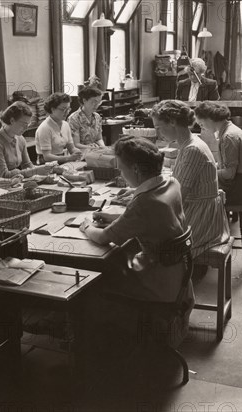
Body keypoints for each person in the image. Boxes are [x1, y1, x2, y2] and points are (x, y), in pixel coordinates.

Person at [78, 137, 194, 350]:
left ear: (137, 170)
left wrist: (86, 226)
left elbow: (104, 238)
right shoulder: (171, 183)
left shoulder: (143, 203)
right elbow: (152, 218)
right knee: (117, 258)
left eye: (122, 170)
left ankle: (96, 341)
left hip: (157, 281)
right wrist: (113, 218)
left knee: (92, 279)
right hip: (178, 275)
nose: (121, 174)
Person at [149, 100, 229, 258]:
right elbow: (176, 187)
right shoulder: (189, 143)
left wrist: (144, 200)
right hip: (201, 213)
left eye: (159, 127)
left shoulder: (192, 149)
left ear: (172, 122)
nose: (158, 132)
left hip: (200, 222)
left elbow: (176, 199)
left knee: (144, 234)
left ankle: (170, 278)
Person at [194, 102, 242, 205]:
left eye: (201, 124)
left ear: (210, 119)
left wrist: (206, 172)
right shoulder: (230, 128)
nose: (202, 128)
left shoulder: (228, 137)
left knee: (197, 189)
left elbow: (229, 174)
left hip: (239, 190)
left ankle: (209, 220)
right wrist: (211, 166)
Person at [0, 102, 55, 178]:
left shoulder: (20, 138)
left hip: (15, 183)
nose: (26, 128)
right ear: (12, 120)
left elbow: (27, 165)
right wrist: (36, 171)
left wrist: (48, 168)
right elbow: (4, 175)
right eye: (24, 124)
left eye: (28, 124)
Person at [35, 92, 82, 164]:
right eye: (63, 109)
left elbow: (71, 148)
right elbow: (47, 156)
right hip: (46, 165)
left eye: (68, 109)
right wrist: (68, 158)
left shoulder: (66, 125)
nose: (67, 112)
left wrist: (77, 152)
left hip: (61, 161)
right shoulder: (45, 128)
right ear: (53, 109)